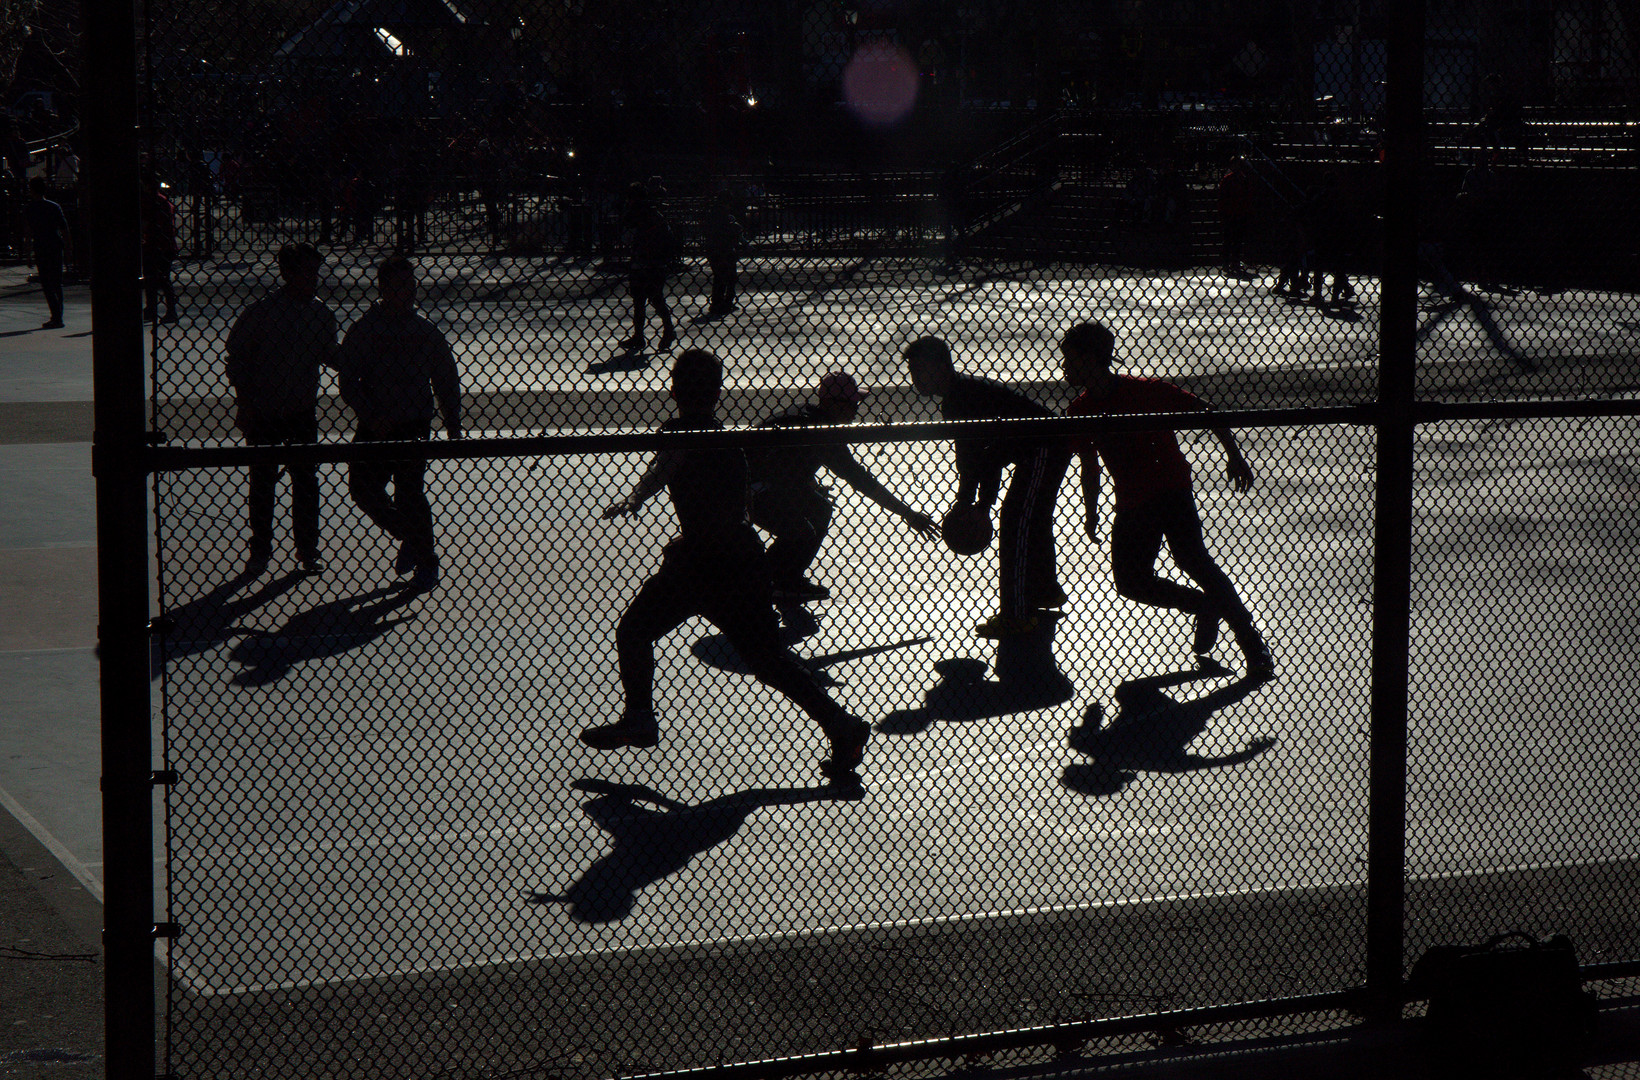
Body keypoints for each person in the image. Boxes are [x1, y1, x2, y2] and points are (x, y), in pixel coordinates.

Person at [587, 349, 871, 785]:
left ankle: (640, 715)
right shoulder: (727, 438)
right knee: (768, 659)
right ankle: (840, 724)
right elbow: (740, 502)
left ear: (673, 389)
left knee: (635, 631)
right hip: (740, 559)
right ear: (718, 394)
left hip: (701, 562)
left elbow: (663, 467)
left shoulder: (679, 431)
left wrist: (636, 498)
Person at [1058, 320, 1274, 681]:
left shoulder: (1144, 391)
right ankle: (1204, 605)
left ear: (1092, 359)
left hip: (1171, 489)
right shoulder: (1079, 411)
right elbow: (1090, 467)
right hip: (1133, 501)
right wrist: (1091, 511)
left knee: (1193, 559)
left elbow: (1206, 411)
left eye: (1070, 359)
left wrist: (1233, 454)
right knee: (1130, 582)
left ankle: (1251, 644)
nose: (1064, 368)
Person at [904, 336, 1070, 638]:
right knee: (1027, 521)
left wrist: (979, 503)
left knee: (1016, 524)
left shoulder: (962, 397)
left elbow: (981, 456)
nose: (915, 378)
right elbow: (977, 454)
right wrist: (971, 500)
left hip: (1043, 446)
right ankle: (1045, 590)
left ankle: (1018, 615)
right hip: (1040, 446)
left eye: (920, 370)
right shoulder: (960, 394)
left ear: (941, 367)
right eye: (912, 371)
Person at [749, 370, 939, 601]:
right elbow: (859, 479)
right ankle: (764, 580)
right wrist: (907, 513)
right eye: (851, 405)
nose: (856, 411)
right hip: (749, 489)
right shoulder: (822, 431)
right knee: (804, 528)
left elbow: (786, 462)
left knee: (818, 508)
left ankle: (781, 577)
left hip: (761, 484)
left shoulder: (809, 415)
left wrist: (807, 484)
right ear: (834, 405)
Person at [338, 256, 463, 589]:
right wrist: (369, 414)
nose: (405, 292)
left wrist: (453, 423)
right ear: (383, 288)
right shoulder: (366, 329)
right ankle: (410, 535)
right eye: (397, 285)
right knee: (363, 488)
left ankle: (426, 559)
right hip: (377, 425)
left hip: (413, 424)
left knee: (410, 492)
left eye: (410, 285)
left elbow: (446, 379)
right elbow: (349, 379)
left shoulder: (424, 330)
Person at [223, 243, 340, 574]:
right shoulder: (263, 313)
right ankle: (262, 547)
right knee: (263, 482)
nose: (313, 279)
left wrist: (361, 362)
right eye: (306, 272)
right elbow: (239, 361)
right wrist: (245, 403)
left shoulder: (319, 313)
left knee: (304, 480)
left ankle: (306, 548)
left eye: (315, 272)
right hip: (264, 409)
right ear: (287, 274)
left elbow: (330, 354)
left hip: (299, 409)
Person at [617, 179, 678, 351]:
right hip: (656, 262)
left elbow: (627, 237)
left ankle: (641, 336)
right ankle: (667, 329)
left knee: (641, 300)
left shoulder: (634, 214)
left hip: (642, 262)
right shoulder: (654, 213)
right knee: (655, 298)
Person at [23, 177, 68, 330]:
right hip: (55, 245)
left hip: (41, 246)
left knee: (47, 283)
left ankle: (55, 315)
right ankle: (58, 315)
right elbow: (64, 228)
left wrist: (28, 254)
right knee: (57, 283)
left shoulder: (30, 209)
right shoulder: (54, 206)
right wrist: (68, 247)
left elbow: (28, 233)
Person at [140, 173, 179, 323]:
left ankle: (159, 310)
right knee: (159, 279)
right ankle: (156, 310)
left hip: (157, 244)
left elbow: (146, 223)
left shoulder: (152, 201)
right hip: (164, 245)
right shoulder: (163, 201)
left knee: (156, 279)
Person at [700, 190, 743, 318]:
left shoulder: (712, 213)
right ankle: (725, 302)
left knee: (719, 276)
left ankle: (717, 302)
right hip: (724, 248)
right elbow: (731, 228)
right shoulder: (723, 215)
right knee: (729, 276)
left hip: (713, 248)